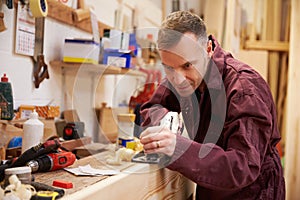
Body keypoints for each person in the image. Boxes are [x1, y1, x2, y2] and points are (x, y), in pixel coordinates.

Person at [139, 11, 285, 199]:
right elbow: (151, 108)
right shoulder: (183, 76)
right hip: (211, 190)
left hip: (252, 193)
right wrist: (164, 122)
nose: (178, 79)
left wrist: (179, 148)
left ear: (208, 49)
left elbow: (242, 166)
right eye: (169, 68)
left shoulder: (244, 90)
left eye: (187, 66)